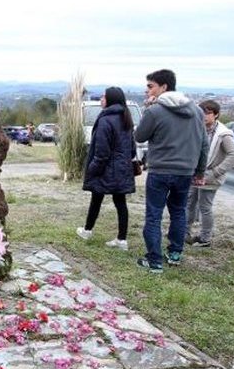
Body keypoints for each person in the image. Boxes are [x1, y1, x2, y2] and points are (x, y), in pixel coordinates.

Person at [134, 69, 208, 273]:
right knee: (178, 212)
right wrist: (200, 171)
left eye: (150, 86)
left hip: (160, 170)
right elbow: (204, 144)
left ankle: (154, 260)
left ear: (164, 87)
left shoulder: (155, 110)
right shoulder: (197, 111)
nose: (147, 90)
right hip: (185, 171)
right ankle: (175, 253)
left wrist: (147, 109)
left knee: (154, 215)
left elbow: (139, 136)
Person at [76, 87, 136, 250]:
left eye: (103, 97)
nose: (101, 99)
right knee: (120, 202)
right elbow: (132, 148)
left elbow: (101, 152)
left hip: (106, 168)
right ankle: (122, 239)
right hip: (122, 168)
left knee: (96, 198)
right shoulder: (126, 118)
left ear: (110, 100)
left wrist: (92, 169)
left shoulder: (105, 120)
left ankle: (87, 230)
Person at [186, 100, 234, 248]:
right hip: (195, 173)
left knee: (205, 206)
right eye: (202, 112)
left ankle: (205, 238)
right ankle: (185, 232)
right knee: (189, 203)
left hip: (210, 176)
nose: (204, 115)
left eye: (208, 112)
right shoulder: (198, 128)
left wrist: (216, 172)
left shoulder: (223, 134)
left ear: (216, 114)